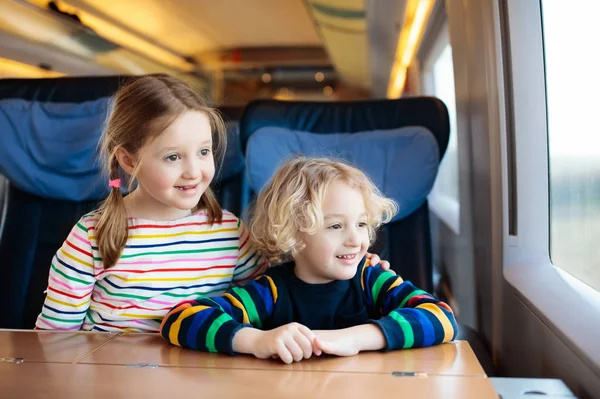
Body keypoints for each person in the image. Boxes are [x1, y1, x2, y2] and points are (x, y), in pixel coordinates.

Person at [34, 75, 387, 332]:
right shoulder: (91, 237)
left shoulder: (229, 232)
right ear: (128, 161)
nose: (194, 171)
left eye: (204, 152)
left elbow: (279, 293)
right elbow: (55, 342)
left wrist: (355, 265)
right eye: (173, 157)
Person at [160, 156, 457, 364]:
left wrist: (357, 338)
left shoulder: (371, 279)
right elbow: (180, 319)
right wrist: (256, 342)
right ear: (294, 235)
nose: (356, 240)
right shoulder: (270, 292)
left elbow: (443, 318)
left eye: (362, 224)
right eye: (336, 226)